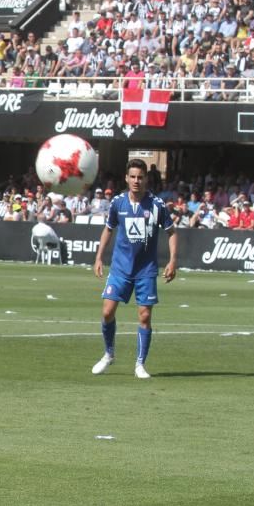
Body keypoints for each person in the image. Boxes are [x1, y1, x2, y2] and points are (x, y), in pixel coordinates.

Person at [92, 159, 178, 379]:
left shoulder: (157, 205)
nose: (136, 181)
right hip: (120, 268)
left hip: (145, 270)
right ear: (126, 178)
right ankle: (109, 353)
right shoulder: (118, 203)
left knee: (145, 316)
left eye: (140, 177)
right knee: (107, 311)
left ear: (146, 179)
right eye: (133, 177)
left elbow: (172, 232)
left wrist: (172, 261)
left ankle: (140, 364)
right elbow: (108, 229)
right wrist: (99, 257)